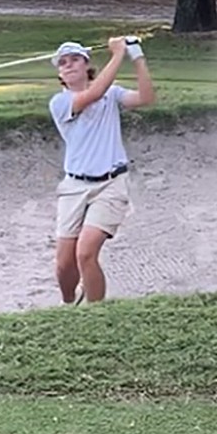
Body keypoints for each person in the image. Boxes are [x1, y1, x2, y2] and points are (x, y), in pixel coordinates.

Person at [48, 36, 156, 304]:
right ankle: (68, 302)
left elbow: (146, 97)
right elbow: (93, 94)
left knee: (85, 253)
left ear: (87, 65)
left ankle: (97, 315)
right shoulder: (59, 103)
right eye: (63, 63)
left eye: (74, 59)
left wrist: (137, 56)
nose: (68, 65)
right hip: (74, 187)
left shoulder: (112, 93)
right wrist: (117, 54)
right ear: (60, 74)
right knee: (64, 265)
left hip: (110, 184)